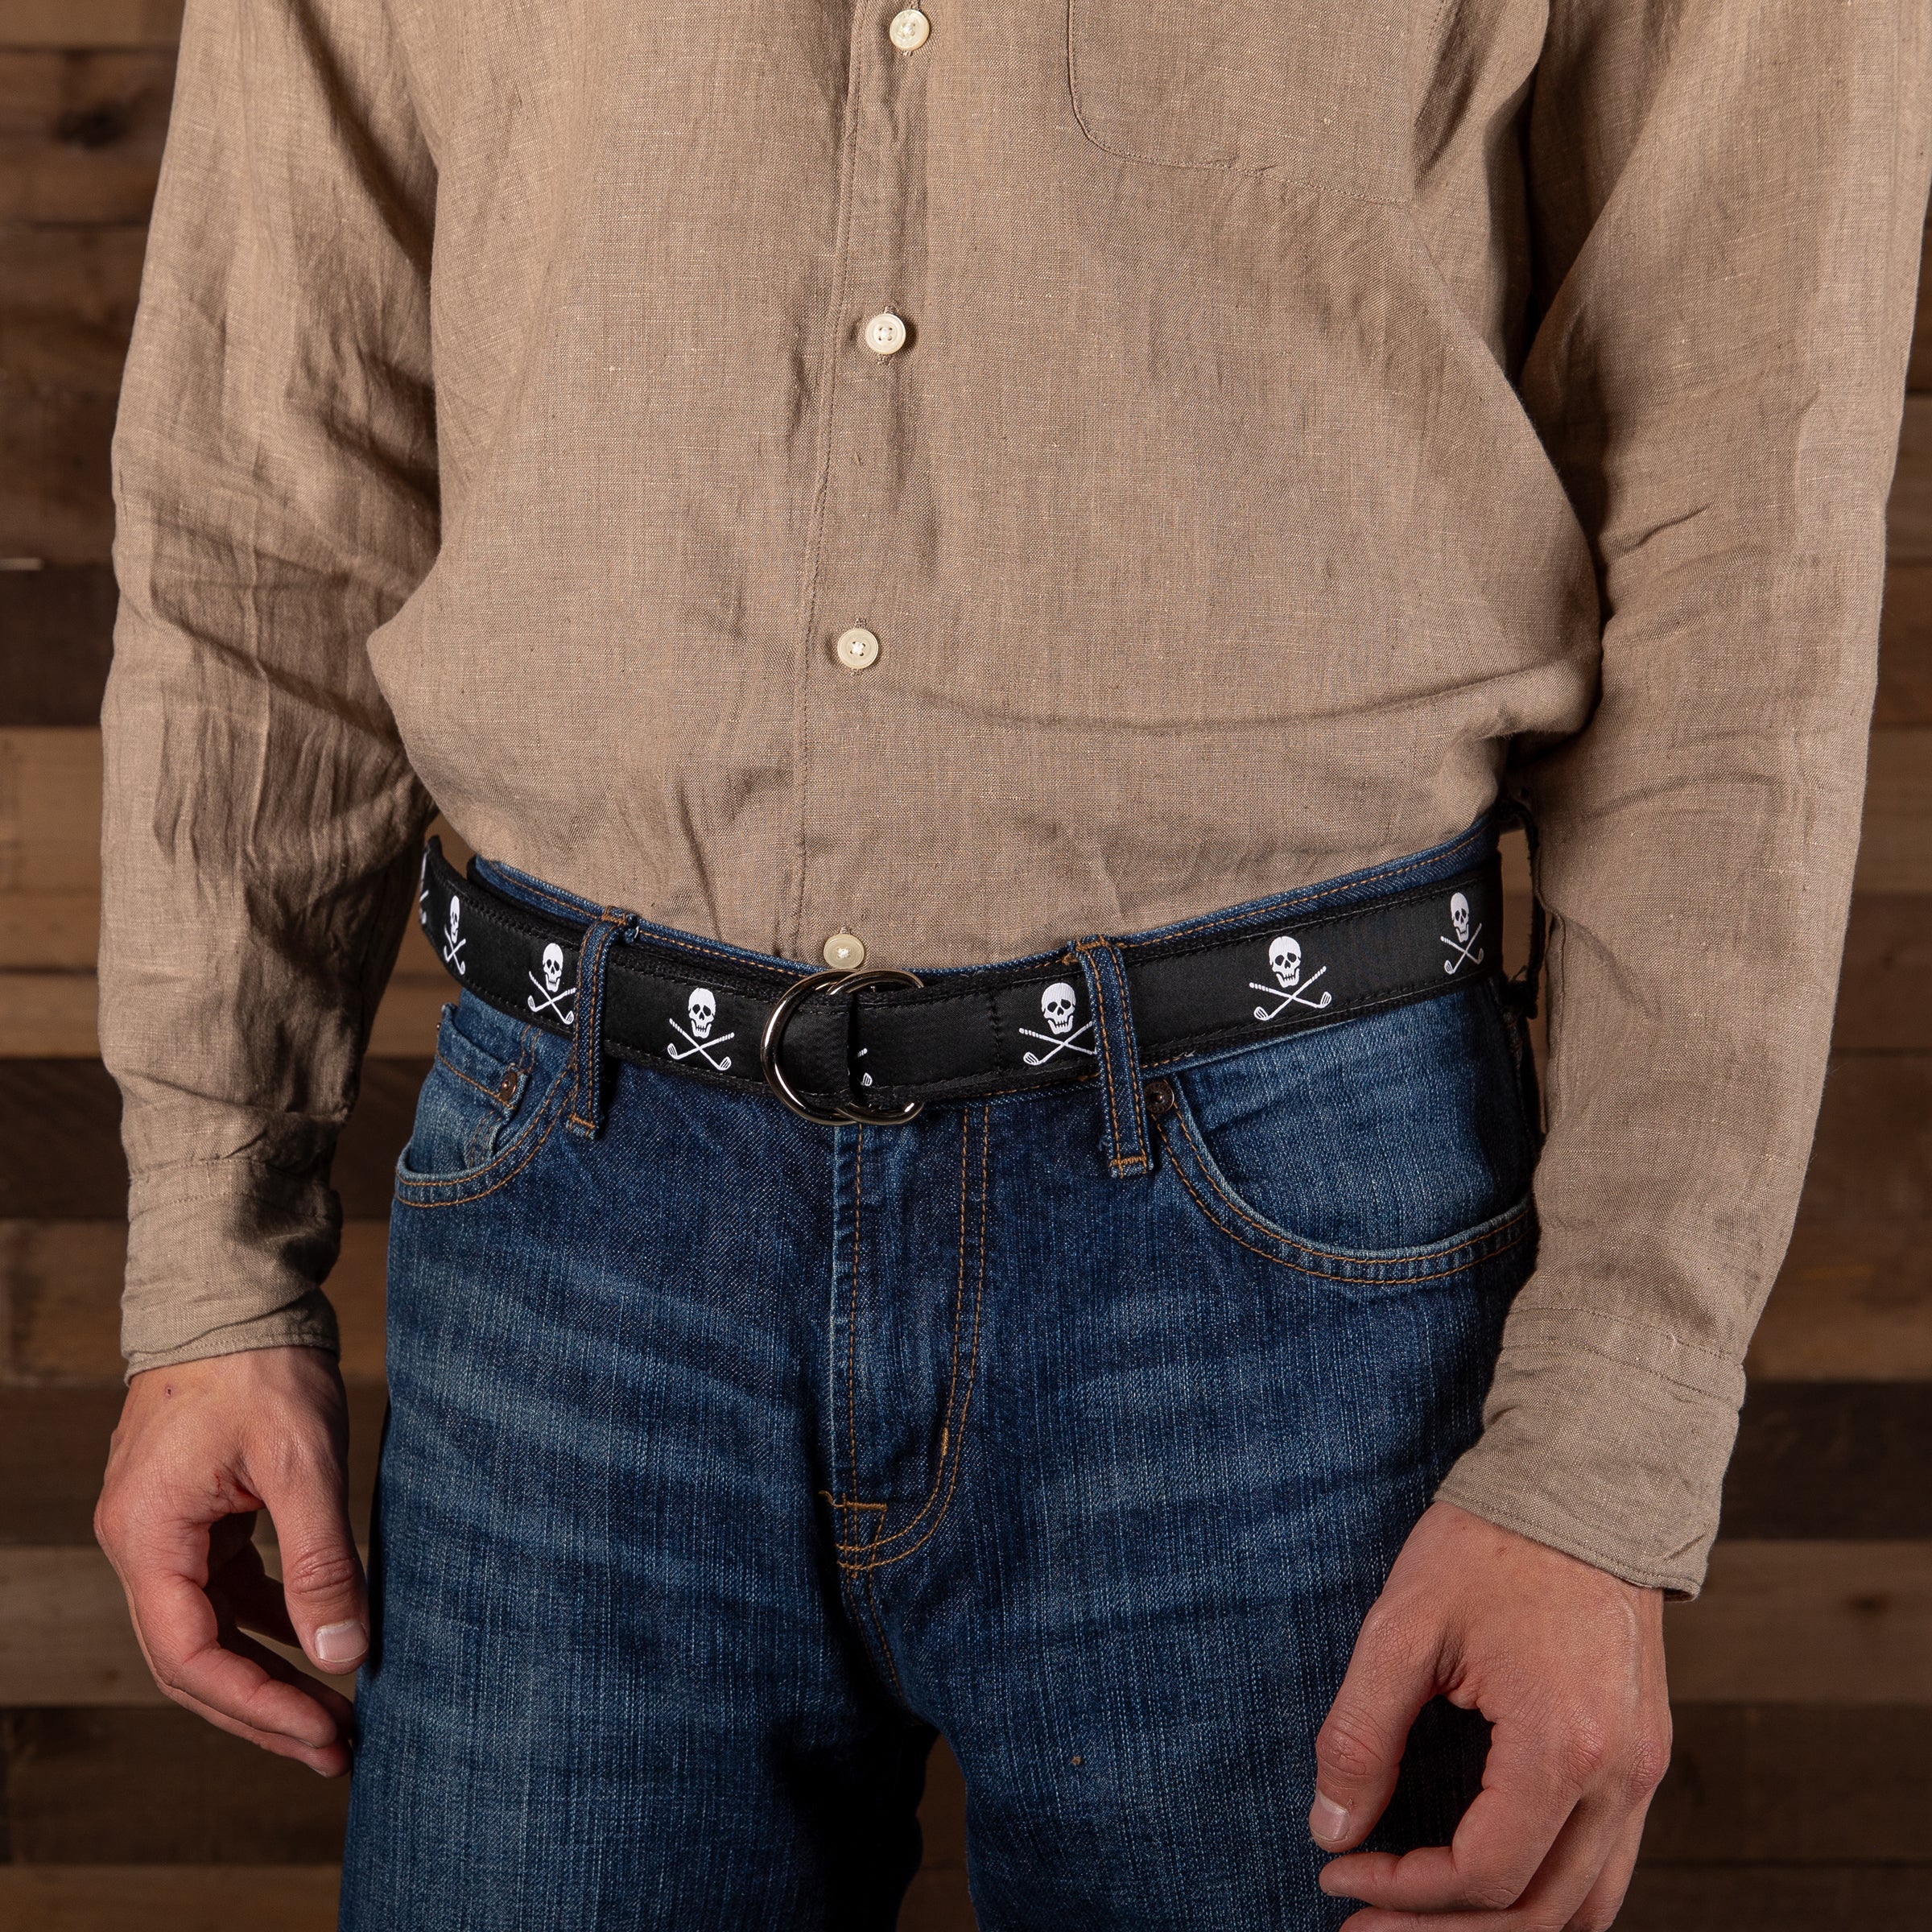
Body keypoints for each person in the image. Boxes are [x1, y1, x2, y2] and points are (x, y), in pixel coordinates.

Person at [91, 3, 1929, 1927]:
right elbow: (267, 472)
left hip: (1293, 1268)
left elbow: (1742, 558)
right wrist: (210, 1270)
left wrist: (1602, 1460)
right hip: (575, 1236)